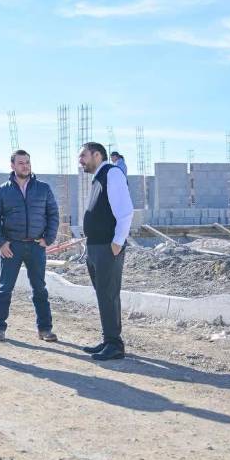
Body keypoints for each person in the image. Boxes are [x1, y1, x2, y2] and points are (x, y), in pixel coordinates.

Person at [0, 150, 60, 342]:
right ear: (12, 166)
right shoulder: (2, 190)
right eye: (21, 163)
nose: (25, 166)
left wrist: (48, 239)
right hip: (12, 247)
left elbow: (53, 214)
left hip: (36, 246)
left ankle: (45, 329)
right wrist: (1, 243)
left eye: (27, 162)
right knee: (5, 289)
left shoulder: (43, 188)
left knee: (40, 289)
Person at [79, 142, 134, 361]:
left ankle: (115, 345)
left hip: (107, 247)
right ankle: (108, 339)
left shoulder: (112, 174)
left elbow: (125, 211)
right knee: (103, 295)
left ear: (97, 155)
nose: (80, 160)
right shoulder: (98, 178)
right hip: (95, 247)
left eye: (83, 155)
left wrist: (117, 242)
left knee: (108, 295)